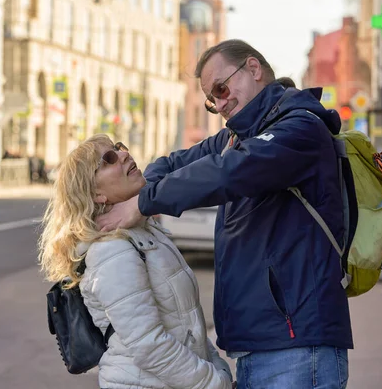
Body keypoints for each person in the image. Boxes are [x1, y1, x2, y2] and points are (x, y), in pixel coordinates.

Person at [96, 39, 353, 388]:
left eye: (221, 88)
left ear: (253, 68)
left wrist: (143, 203)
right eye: (211, 100)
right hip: (257, 348)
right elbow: (171, 164)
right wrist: (136, 189)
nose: (220, 103)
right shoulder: (235, 137)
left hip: (297, 348)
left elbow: (228, 172)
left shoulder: (299, 128)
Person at [38, 134, 235, 389]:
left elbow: (187, 323)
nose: (123, 154)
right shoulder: (112, 250)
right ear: (97, 194)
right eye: (109, 159)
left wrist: (216, 367)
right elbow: (149, 346)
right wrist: (214, 382)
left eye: (119, 148)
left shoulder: (145, 232)